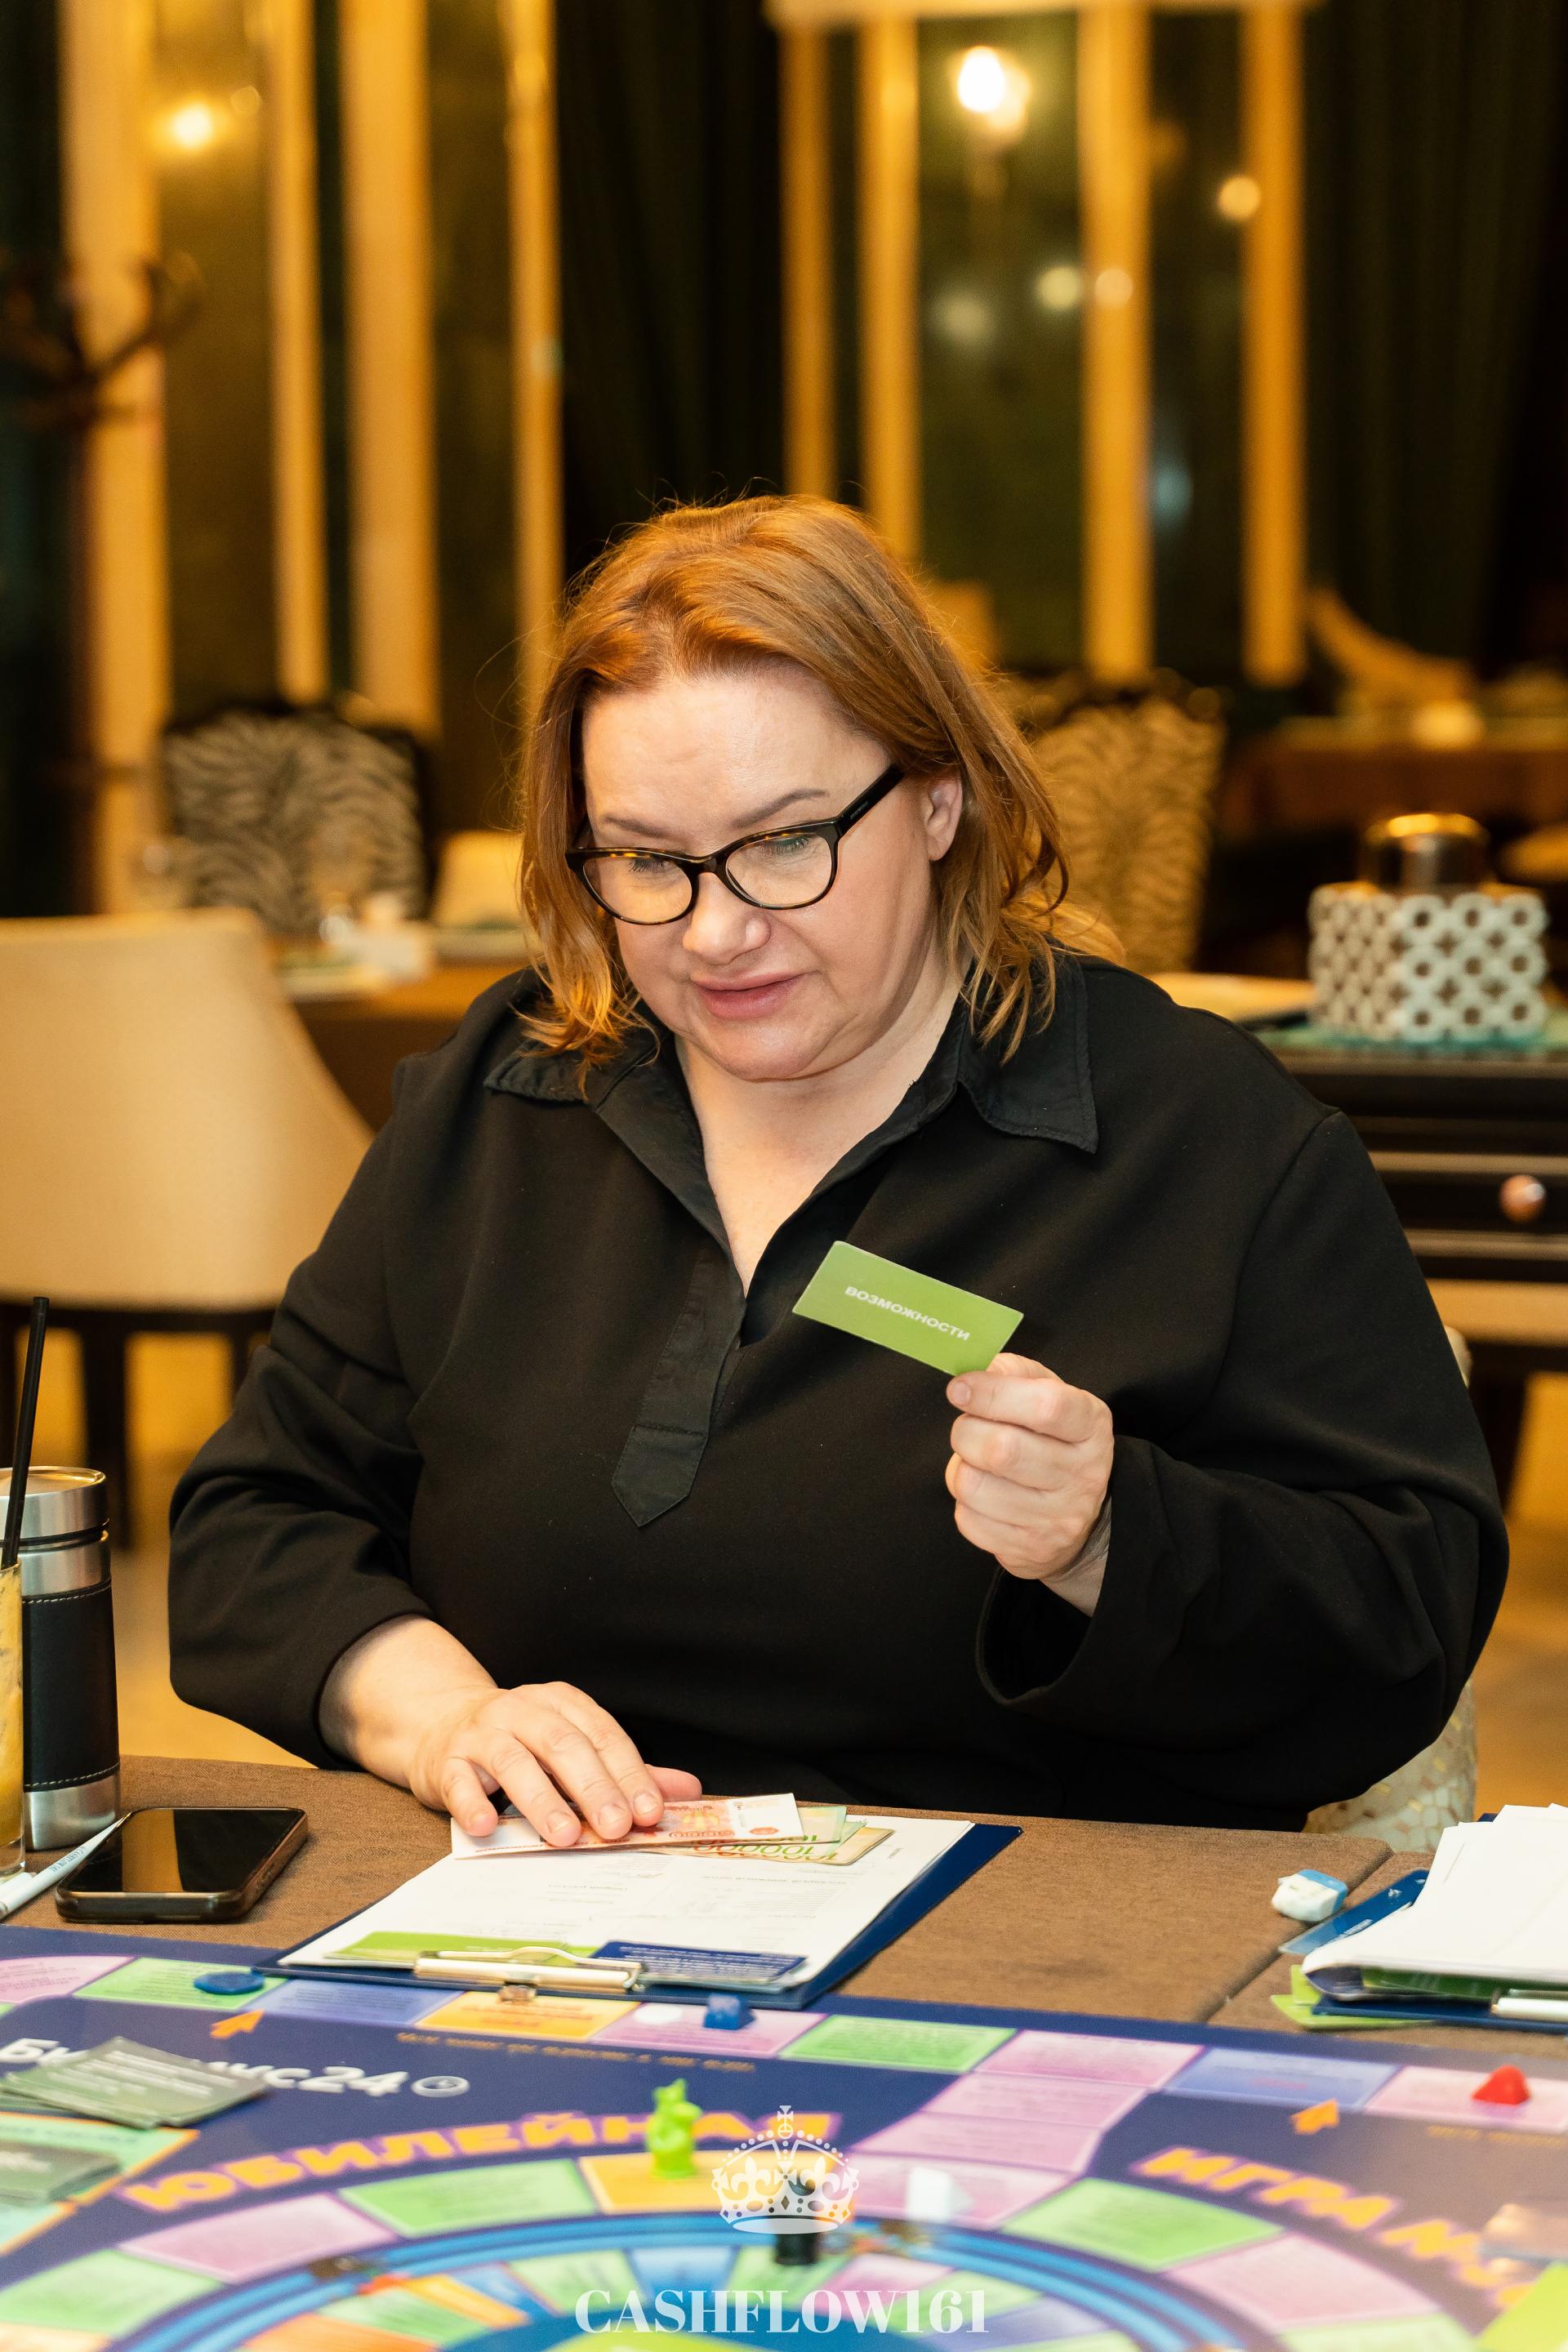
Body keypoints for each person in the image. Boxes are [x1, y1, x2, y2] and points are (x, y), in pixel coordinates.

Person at [169, 496, 1507, 1844]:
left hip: (1027, 1923)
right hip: (538, 1918)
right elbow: (253, 1522)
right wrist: (441, 1717)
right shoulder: (503, 1103)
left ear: (938, 799)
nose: (716, 932)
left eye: (783, 844)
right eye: (646, 859)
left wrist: (1111, 1540)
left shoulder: (1199, 1139)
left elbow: (1404, 1616)